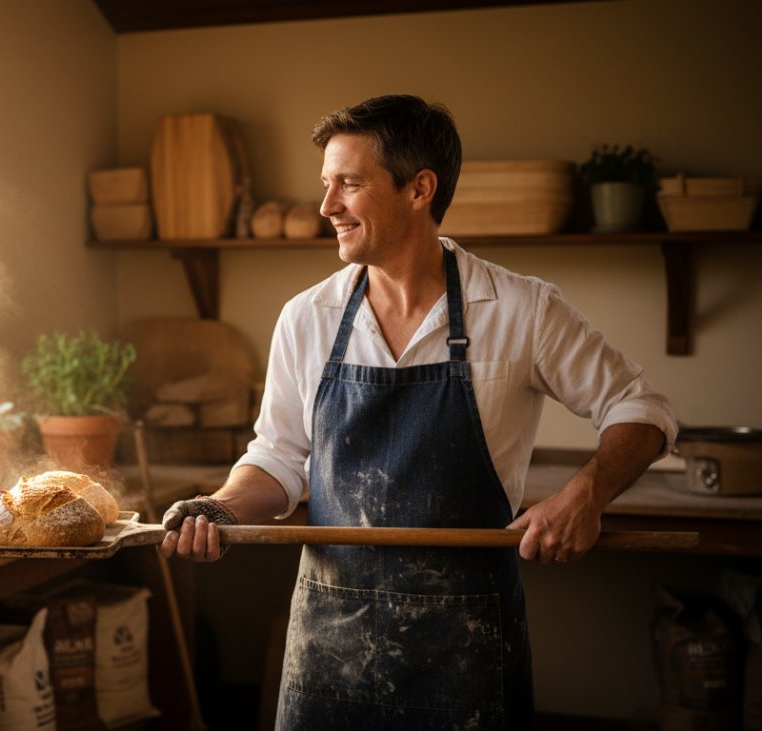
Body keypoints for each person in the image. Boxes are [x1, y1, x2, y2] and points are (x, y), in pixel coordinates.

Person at [159, 94, 677, 729]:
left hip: (464, 650)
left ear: (419, 189)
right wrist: (222, 508)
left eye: (348, 184)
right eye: (326, 185)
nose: (327, 207)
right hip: (330, 645)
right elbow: (277, 459)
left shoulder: (520, 309)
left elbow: (642, 406)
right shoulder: (308, 318)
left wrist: (587, 493)